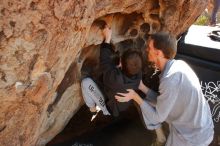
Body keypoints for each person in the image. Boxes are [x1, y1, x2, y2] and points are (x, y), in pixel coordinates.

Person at [115, 32, 214, 146]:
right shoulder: (178, 65)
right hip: (194, 127)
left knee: (144, 104)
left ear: (158, 53)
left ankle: (160, 139)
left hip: (192, 137)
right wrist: (142, 87)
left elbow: (157, 117)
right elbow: (162, 101)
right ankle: (161, 138)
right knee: (145, 103)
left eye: (149, 47)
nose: (146, 49)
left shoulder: (170, 79)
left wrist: (135, 96)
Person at [81, 25, 166, 145]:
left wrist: (107, 39)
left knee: (86, 83)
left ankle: (93, 109)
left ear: (120, 63)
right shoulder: (138, 75)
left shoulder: (114, 78)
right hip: (123, 104)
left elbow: (105, 61)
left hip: (110, 107)